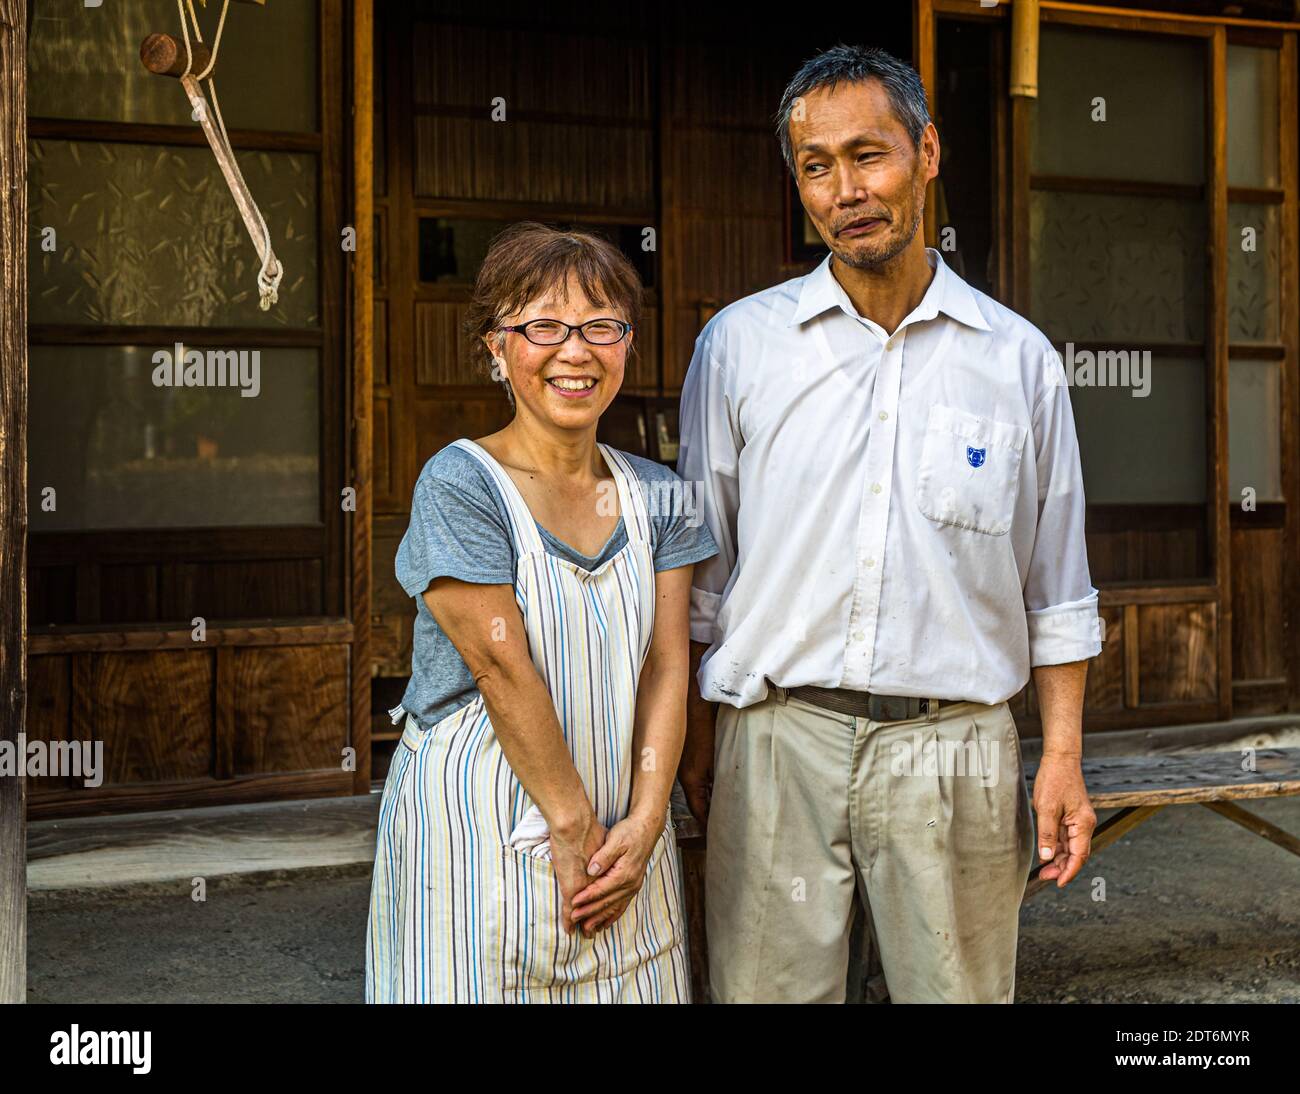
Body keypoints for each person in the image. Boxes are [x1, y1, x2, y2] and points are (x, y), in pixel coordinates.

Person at [676, 44, 1103, 1003]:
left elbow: (1058, 588)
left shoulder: (1019, 362)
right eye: (816, 166)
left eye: (870, 155)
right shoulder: (740, 347)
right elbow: (702, 577)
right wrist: (701, 752)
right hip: (778, 741)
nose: (846, 190)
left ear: (928, 152)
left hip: (955, 748)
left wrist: (1063, 759)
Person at [367, 222, 717, 1003]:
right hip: (479, 825)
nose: (575, 351)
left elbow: (668, 662)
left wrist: (649, 819)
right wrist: (570, 826)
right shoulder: (461, 484)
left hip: (627, 829)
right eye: (542, 327)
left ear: (625, 344)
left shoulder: (660, 495)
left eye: (600, 327)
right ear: (496, 346)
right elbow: (500, 666)